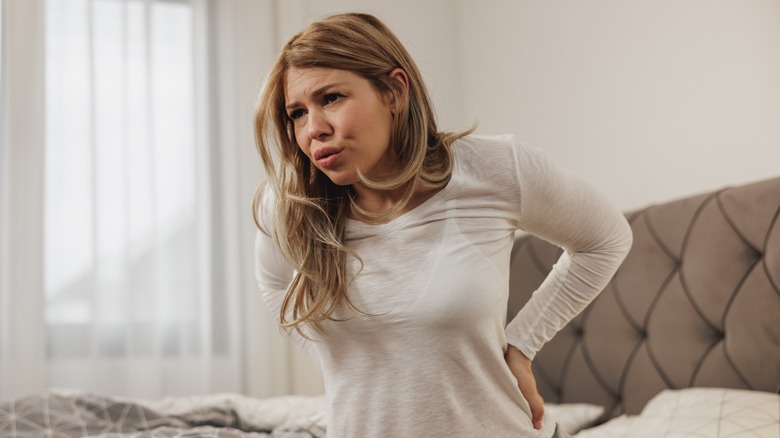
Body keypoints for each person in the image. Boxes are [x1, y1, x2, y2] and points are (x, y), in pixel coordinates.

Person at [253, 12, 632, 438]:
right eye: (297, 113)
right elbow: (273, 284)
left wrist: (522, 346)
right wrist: (338, 359)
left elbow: (606, 239)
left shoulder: (494, 168)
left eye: (332, 98)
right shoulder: (291, 205)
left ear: (394, 91)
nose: (314, 130)